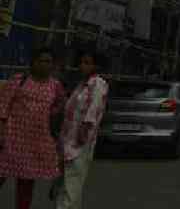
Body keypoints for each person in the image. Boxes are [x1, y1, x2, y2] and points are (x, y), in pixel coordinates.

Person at [0, 47, 66, 209]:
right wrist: (1, 133)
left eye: (49, 62)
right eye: (41, 61)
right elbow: (2, 107)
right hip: (11, 139)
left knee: (26, 185)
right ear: (33, 62)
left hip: (34, 144)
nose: (45, 65)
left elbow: (62, 103)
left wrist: (50, 113)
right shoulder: (19, 80)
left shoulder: (55, 86)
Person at [53, 50, 108, 209]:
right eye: (81, 62)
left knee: (72, 186)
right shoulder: (81, 85)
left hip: (80, 143)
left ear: (96, 65)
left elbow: (93, 110)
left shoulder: (98, 83)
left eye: (87, 63)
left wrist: (82, 137)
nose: (82, 66)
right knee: (64, 185)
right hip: (67, 142)